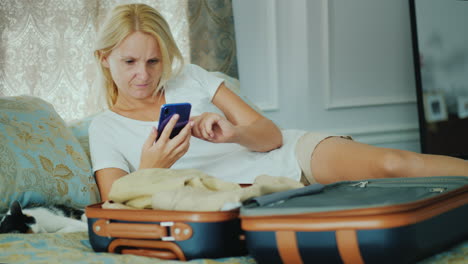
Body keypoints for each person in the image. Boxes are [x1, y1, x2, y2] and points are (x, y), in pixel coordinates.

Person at [89, 3, 468, 201]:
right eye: (129, 62)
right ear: (104, 58)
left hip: (290, 156)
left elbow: (269, 135)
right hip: (246, 194)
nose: (144, 74)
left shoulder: (192, 77)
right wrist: (153, 167)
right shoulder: (105, 128)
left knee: (393, 163)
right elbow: (115, 203)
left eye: (153, 61)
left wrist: (233, 133)